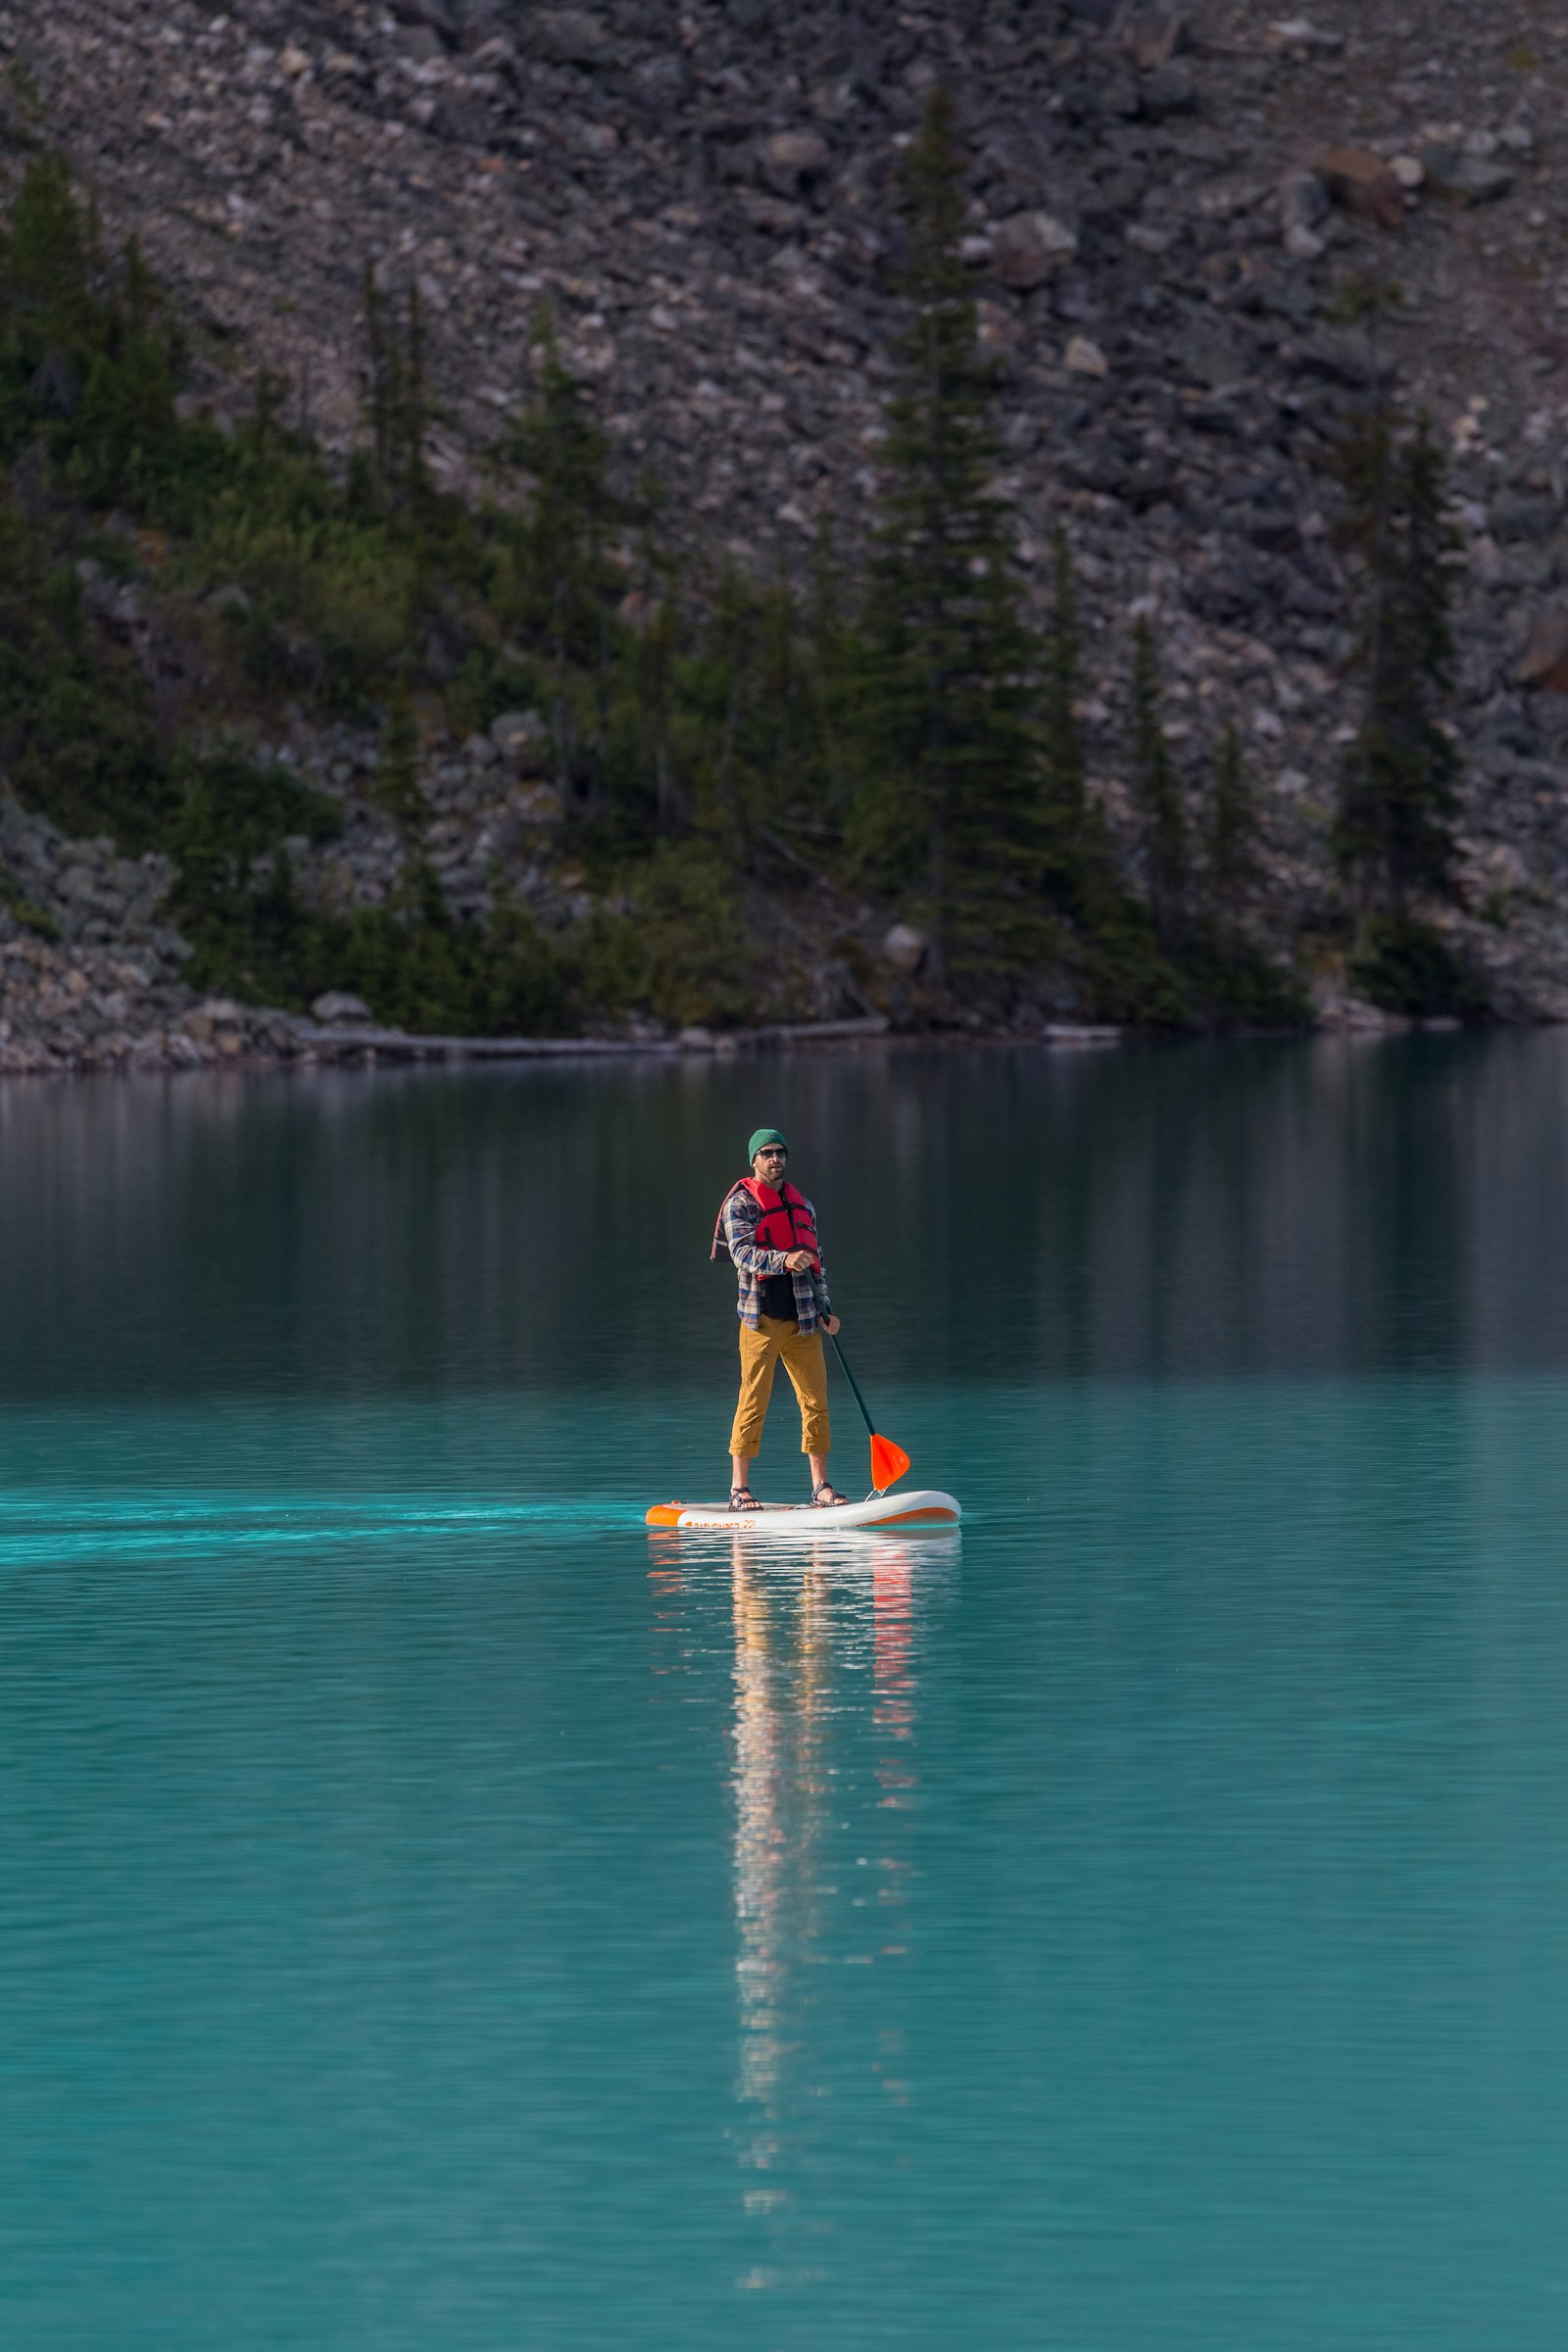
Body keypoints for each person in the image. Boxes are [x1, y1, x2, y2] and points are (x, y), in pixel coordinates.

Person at [710, 1127, 848, 1510]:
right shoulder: (739, 1205)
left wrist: (827, 1311)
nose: (775, 1159)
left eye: (780, 1153)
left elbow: (817, 1262)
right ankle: (739, 1489)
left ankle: (820, 1487)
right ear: (754, 1160)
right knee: (754, 1400)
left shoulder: (804, 1204)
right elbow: (743, 1254)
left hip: (804, 1318)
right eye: (767, 1153)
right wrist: (783, 1258)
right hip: (761, 1320)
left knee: (816, 1402)